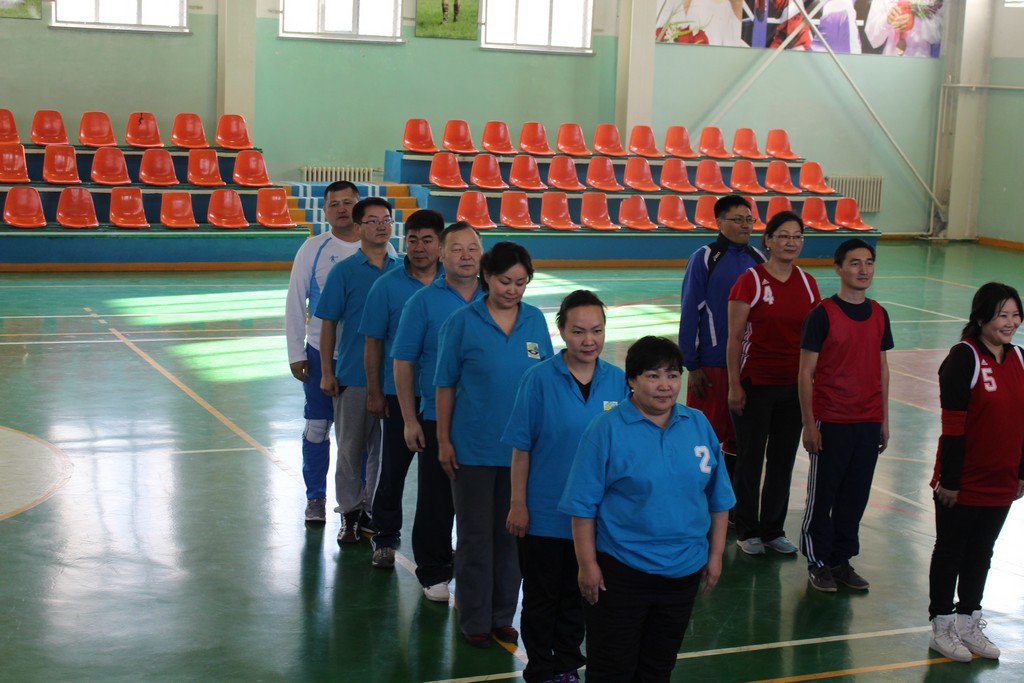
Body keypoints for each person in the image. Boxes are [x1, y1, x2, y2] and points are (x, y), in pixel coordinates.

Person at [558, 336, 733, 682]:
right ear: (631, 380)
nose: (665, 386)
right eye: (653, 376)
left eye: (672, 375)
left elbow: (719, 499)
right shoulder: (606, 429)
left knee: (658, 666)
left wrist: (714, 557)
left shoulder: (697, 424)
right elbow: (582, 507)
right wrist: (587, 565)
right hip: (621, 572)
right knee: (612, 669)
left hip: (683, 572)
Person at [502, 290, 628, 683]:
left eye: (597, 331)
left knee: (580, 596)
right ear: (561, 331)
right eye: (578, 331)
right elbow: (521, 447)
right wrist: (518, 504)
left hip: (593, 518)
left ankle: (567, 665)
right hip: (544, 514)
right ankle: (541, 668)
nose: (589, 340)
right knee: (542, 597)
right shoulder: (538, 379)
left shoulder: (618, 381)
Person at [435, 241, 553, 647]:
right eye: (505, 281)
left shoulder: (535, 320)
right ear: (486, 276)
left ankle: (503, 614)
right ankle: (474, 619)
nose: (513, 290)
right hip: (473, 449)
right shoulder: (462, 322)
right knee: (474, 538)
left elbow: (546, 382)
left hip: (522, 452)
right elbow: (445, 385)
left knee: (512, 536)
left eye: (521, 282)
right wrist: (443, 440)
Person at [926, 282, 1024, 663]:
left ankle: (969, 620)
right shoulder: (964, 357)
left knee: (982, 551)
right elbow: (953, 425)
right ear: (981, 318)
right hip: (963, 481)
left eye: (1015, 315)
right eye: (1002, 315)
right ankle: (942, 625)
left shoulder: (1019, 358)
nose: (1010, 322)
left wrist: (1021, 473)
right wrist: (951, 481)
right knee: (950, 551)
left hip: (1001, 481)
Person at [392, 221, 485, 602]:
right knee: (436, 499)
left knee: (482, 501)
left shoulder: (497, 298)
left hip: (487, 419)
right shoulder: (423, 302)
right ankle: (433, 571)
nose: (466, 256)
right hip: (436, 416)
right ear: (442, 255)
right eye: (457, 249)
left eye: (473, 248)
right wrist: (409, 419)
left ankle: (474, 568)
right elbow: (403, 362)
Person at [798, 238, 893, 592]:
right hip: (831, 420)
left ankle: (841, 560)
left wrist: (884, 418)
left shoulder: (879, 314)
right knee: (823, 496)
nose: (863, 270)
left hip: (867, 421)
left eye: (869, 262)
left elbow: (882, 369)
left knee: (855, 496)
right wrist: (809, 424)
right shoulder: (822, 315)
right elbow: (805, 373)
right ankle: (818, 561)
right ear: (838, 268)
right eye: (855, 263)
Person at [727, 211, 820, 556]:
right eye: (783, 236)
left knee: (782, 461)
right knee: (750, 459)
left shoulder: (808, 283)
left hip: (793, 387)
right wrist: (735, 385)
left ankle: (773, 530)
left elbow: (814, 340)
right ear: (768, 240)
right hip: (756, 383)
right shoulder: (750, 281)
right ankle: (747, 529)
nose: (790, 243)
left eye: (797, 236)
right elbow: (734, 338)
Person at [358, 209, 443, 569]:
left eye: (427, 240)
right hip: (398, 395)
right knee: (392, 471)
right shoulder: (386, 285)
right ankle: (385, 538)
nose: (419, 247)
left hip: (444, 398)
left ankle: (439, 543)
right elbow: (373, 343)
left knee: (440, 477)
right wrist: (375, 391)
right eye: (412, 240)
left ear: (440, 245)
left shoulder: (458, 284)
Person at [315, 197, 400, 544]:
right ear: (359, 226)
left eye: (386, 220)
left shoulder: (403, 271)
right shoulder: (343, 272)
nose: (381, 226)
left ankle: (373, 511)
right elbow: (328, 324)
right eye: (373, 220)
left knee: (385, 453)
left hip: (396, 379)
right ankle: (349, 514)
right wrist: (327, 371)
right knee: (350, 450)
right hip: (353, 375)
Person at [284, 181, 362, 524]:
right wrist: (296, 353)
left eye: (348, 202)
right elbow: (295, 299)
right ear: (326, 210)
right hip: (319, 355)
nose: (342, 209)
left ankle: (359, 503)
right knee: (318, 427)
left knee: (360, 434)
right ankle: (315, 497)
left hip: (362, 358)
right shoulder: (313, 248)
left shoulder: (380, 247)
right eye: (334, 204)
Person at [679, 194, 765, 488]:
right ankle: (695, 498)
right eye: (738, 219)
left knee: (741, 440)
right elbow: (690, 311)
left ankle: (730, 503)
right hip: (712, 367)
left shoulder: (759, 260)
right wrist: (693, 365)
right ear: (719, 222)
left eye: (749, 219)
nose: (745, 225)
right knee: (703, 439)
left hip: (748, 368)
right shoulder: (704, 258)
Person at [864, 0, 944, 58]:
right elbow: (872, 39)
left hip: (920, 64)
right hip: (890, 63)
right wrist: (887, 20)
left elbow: (941, 34)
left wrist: (917, 22)